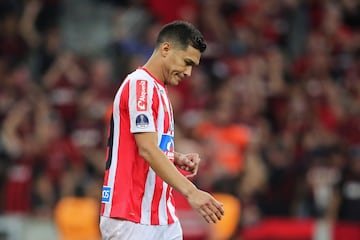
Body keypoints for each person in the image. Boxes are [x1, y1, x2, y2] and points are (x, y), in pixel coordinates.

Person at [99, 20, 224, 240]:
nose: (188, 73)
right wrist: (192, 192)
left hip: (162, 217)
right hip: (131, 216)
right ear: (166, 49)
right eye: (187, 62)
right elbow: (146, 149)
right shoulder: (141, 85)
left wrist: (173, 157)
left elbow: (140, 144)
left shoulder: (159, 90)